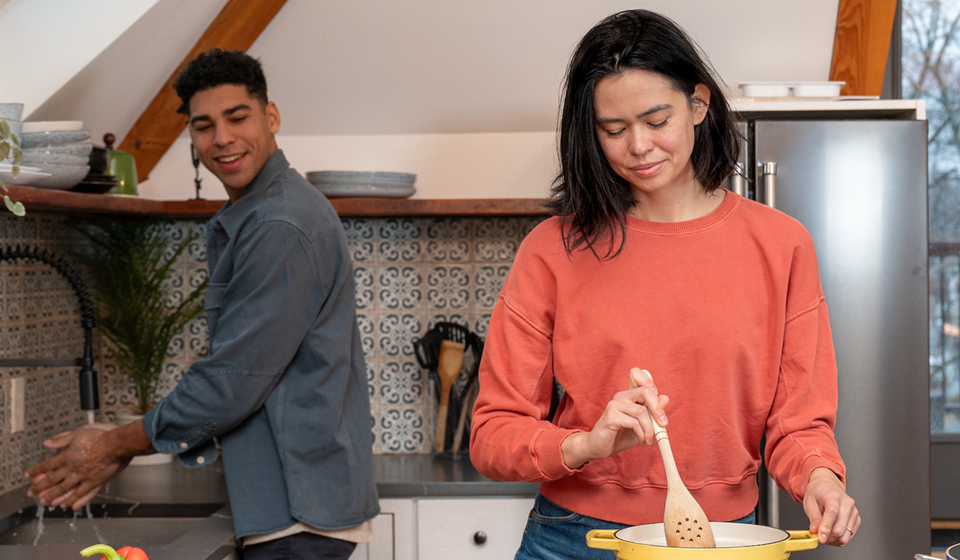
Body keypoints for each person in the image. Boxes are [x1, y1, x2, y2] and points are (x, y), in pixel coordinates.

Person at [469, 10, 861, 560]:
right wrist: (586, 444)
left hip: (724, 540)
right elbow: (493, 434)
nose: (638, 146)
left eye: (657, 121)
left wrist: (820, 480)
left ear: (698, 103)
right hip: (572, 538)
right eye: (613, 130)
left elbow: (798, 423)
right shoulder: (552, 250)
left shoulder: (781, 245)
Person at [25, 49, 379, 560]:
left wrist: (116, 444)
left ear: (271, 116)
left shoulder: (280, 224)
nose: (222, 139)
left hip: (296, 514)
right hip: (290, 505)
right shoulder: (258, 213)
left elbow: (233, 381)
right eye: (204, 126)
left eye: (238, 117)